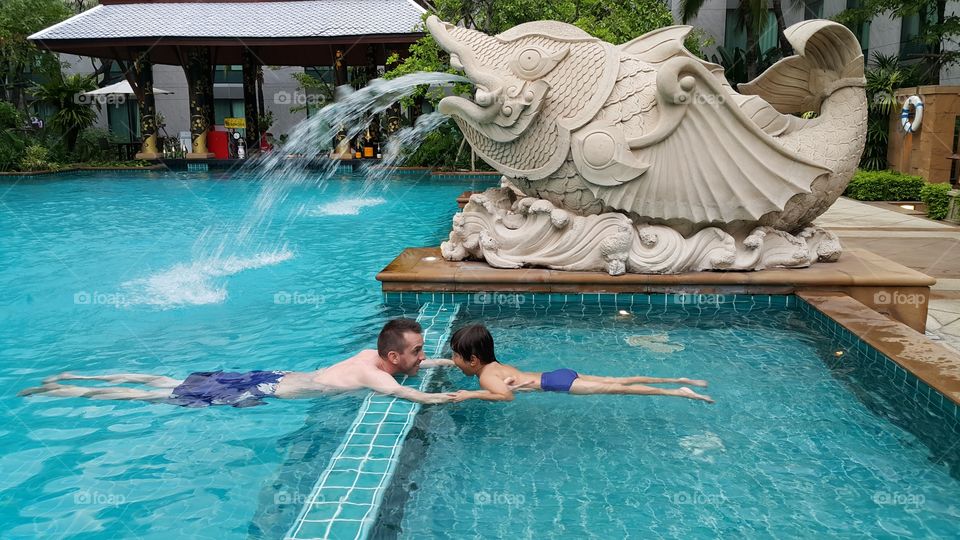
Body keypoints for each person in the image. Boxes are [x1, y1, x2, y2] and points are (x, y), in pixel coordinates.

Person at [18, 319, 461, 407]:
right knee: (158, 397)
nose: (422, 357)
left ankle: (72, 376)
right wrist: (465, 394)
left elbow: (412, 369)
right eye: (418, 351)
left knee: (169, 380)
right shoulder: (377, 377)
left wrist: (448, 360)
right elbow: (416, 396)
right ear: (392, 356)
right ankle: (70, 391)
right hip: (261, 390)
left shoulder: (371, 355)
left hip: (271, 374)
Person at [447, 324, 714, 403]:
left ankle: (677, 393)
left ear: (473, 360)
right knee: (616, 381)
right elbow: (509, 385)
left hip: (558, 383)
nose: (453, 360)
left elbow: (505, 396)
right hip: (558, 374)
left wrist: (471, 394)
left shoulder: (485, 377)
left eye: (456, 356)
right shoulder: (494, 366)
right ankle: (679, 381)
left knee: (618, 389)